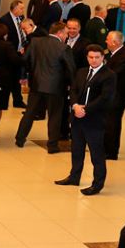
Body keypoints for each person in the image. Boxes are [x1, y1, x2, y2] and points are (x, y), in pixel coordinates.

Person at [55, 45, 115, 195]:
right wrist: (75, 106)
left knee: (96, 154)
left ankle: (97, 184)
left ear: (103, 57)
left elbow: (105, 98)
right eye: (91, 57)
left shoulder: (109, 75)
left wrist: (85, 109)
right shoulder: (81, 72)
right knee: (77, 150)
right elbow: (73, 90)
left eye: (97, 57)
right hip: (77, 118)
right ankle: (74, 177)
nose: (93, 60)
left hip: (95, 119)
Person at [15, 22, 75, 153]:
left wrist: (31, 72)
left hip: (36, 84)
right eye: (66, 33)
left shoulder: (35, 42)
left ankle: (20, 138)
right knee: (54, 116)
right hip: (56, 88)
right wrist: (72, 86)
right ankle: (52, 146)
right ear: (59, 33)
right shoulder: (64, 48)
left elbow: (24, 60)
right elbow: (71, 69)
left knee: (30, 113)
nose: (67, 36)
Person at [105, 31, 125, 161]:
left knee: (113, 124)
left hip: (118, 96)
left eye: (107, 39)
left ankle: (111, 152)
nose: (106, 41)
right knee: (109, 123)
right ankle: (106, 148)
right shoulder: (113, 54)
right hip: (112, 95)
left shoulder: (124, 56)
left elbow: (113, 74)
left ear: (115, 43)